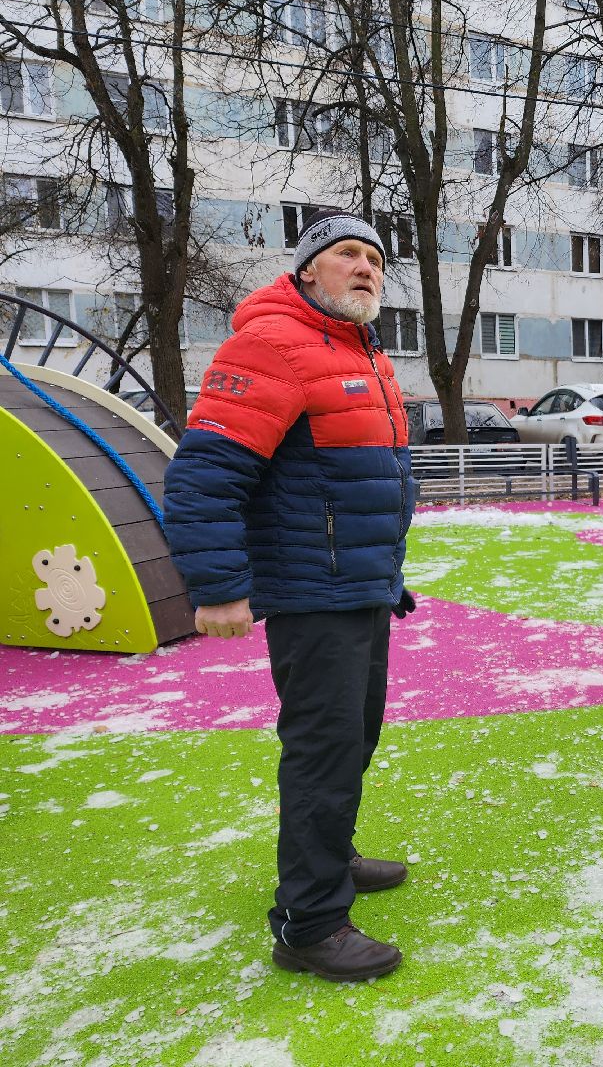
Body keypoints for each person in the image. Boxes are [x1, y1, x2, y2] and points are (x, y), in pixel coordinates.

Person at [162, 210, 416, 982]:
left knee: (355, 737)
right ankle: (310, 922)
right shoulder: (272, 345)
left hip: (360, 584)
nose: (365, 268)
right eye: (347, 255)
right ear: (308, 269)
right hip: (314, 592)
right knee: (324, 751)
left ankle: (331, 857)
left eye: (374, 258)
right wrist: (219, 588)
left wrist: (386, 577)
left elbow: (356, 482)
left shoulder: (360, 352)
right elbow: (206, 475)